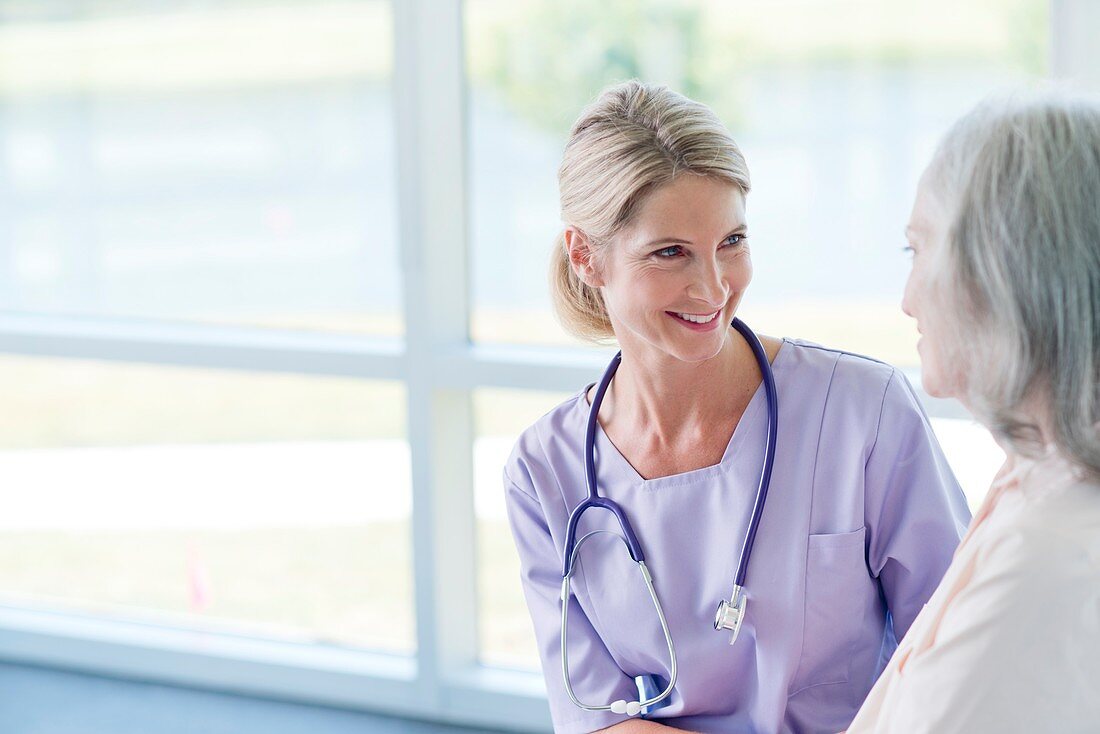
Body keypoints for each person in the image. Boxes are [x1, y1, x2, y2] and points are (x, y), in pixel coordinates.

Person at [502, 80, 971, 734]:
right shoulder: (545, 469)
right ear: (587, 256)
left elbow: (956, 655)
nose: (713, 287)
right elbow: (597, 721)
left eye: (732, 241)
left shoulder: (861, 412)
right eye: (671, 253)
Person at [846, 94, 1100, 733]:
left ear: (1002, 268)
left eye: (918, 250)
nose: (907, 301)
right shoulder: (1036, 478)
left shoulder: (1048, 558)